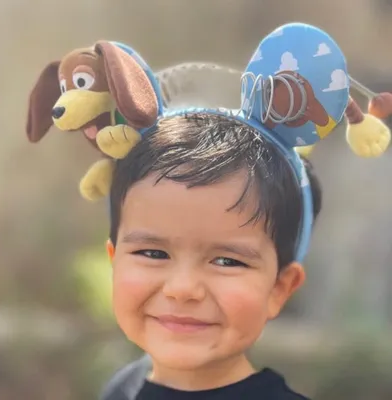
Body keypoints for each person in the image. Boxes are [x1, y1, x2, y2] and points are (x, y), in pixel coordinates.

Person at [99, 22, 351, 399]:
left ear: (280, 288)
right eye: (153, 253)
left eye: (227, 261)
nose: (183, 289)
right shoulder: (121, 390)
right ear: (114, 259)